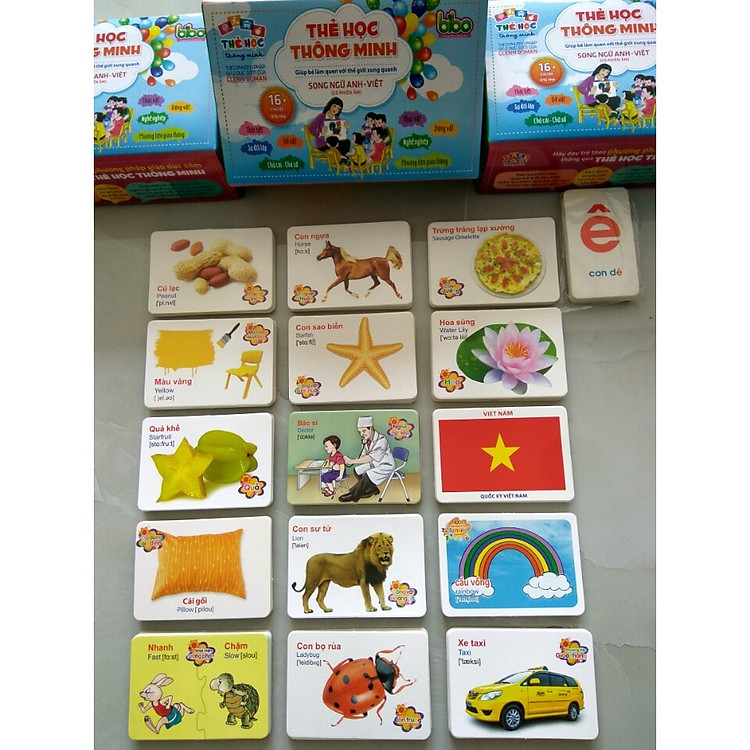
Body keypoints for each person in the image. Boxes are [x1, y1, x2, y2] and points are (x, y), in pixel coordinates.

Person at [339, 416, 396, 502]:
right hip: (375, 463)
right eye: (360, 432)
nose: (361, 434)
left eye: (364, 431)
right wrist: (350, 461)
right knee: (357, 470)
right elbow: (363, 456)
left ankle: (354, 495)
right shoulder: (366, 440)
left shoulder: (381, 440)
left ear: (371, 428)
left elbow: (370, 458)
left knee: (367, 475)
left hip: (386, 465)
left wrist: (352, 461)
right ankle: (372, 489)